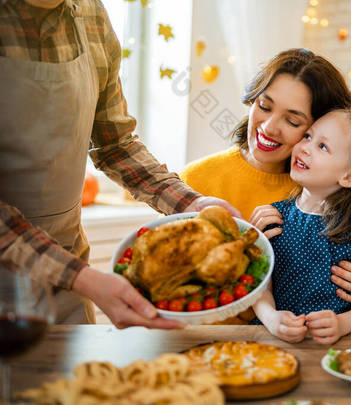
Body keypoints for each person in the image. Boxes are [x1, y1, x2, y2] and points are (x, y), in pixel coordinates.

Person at [0, 0, 239, 329]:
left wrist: (191, 203)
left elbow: (115, 143)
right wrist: (83, 278)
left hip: (68, 274)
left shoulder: (90, 14)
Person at [181, 49, 351, 306]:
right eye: (264, 106)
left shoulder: (324, 193)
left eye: (292, 121)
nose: (268, 127)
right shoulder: (194, 179)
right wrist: (245, 246)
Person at [250, 110, 351, 344]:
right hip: (275, 336)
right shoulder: (274, 216)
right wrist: (271, 319)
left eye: (323, 147)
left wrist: (342, 324)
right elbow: (261, 286)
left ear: (350, 177)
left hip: (333, 341)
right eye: (308, 137)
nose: (304, 147)